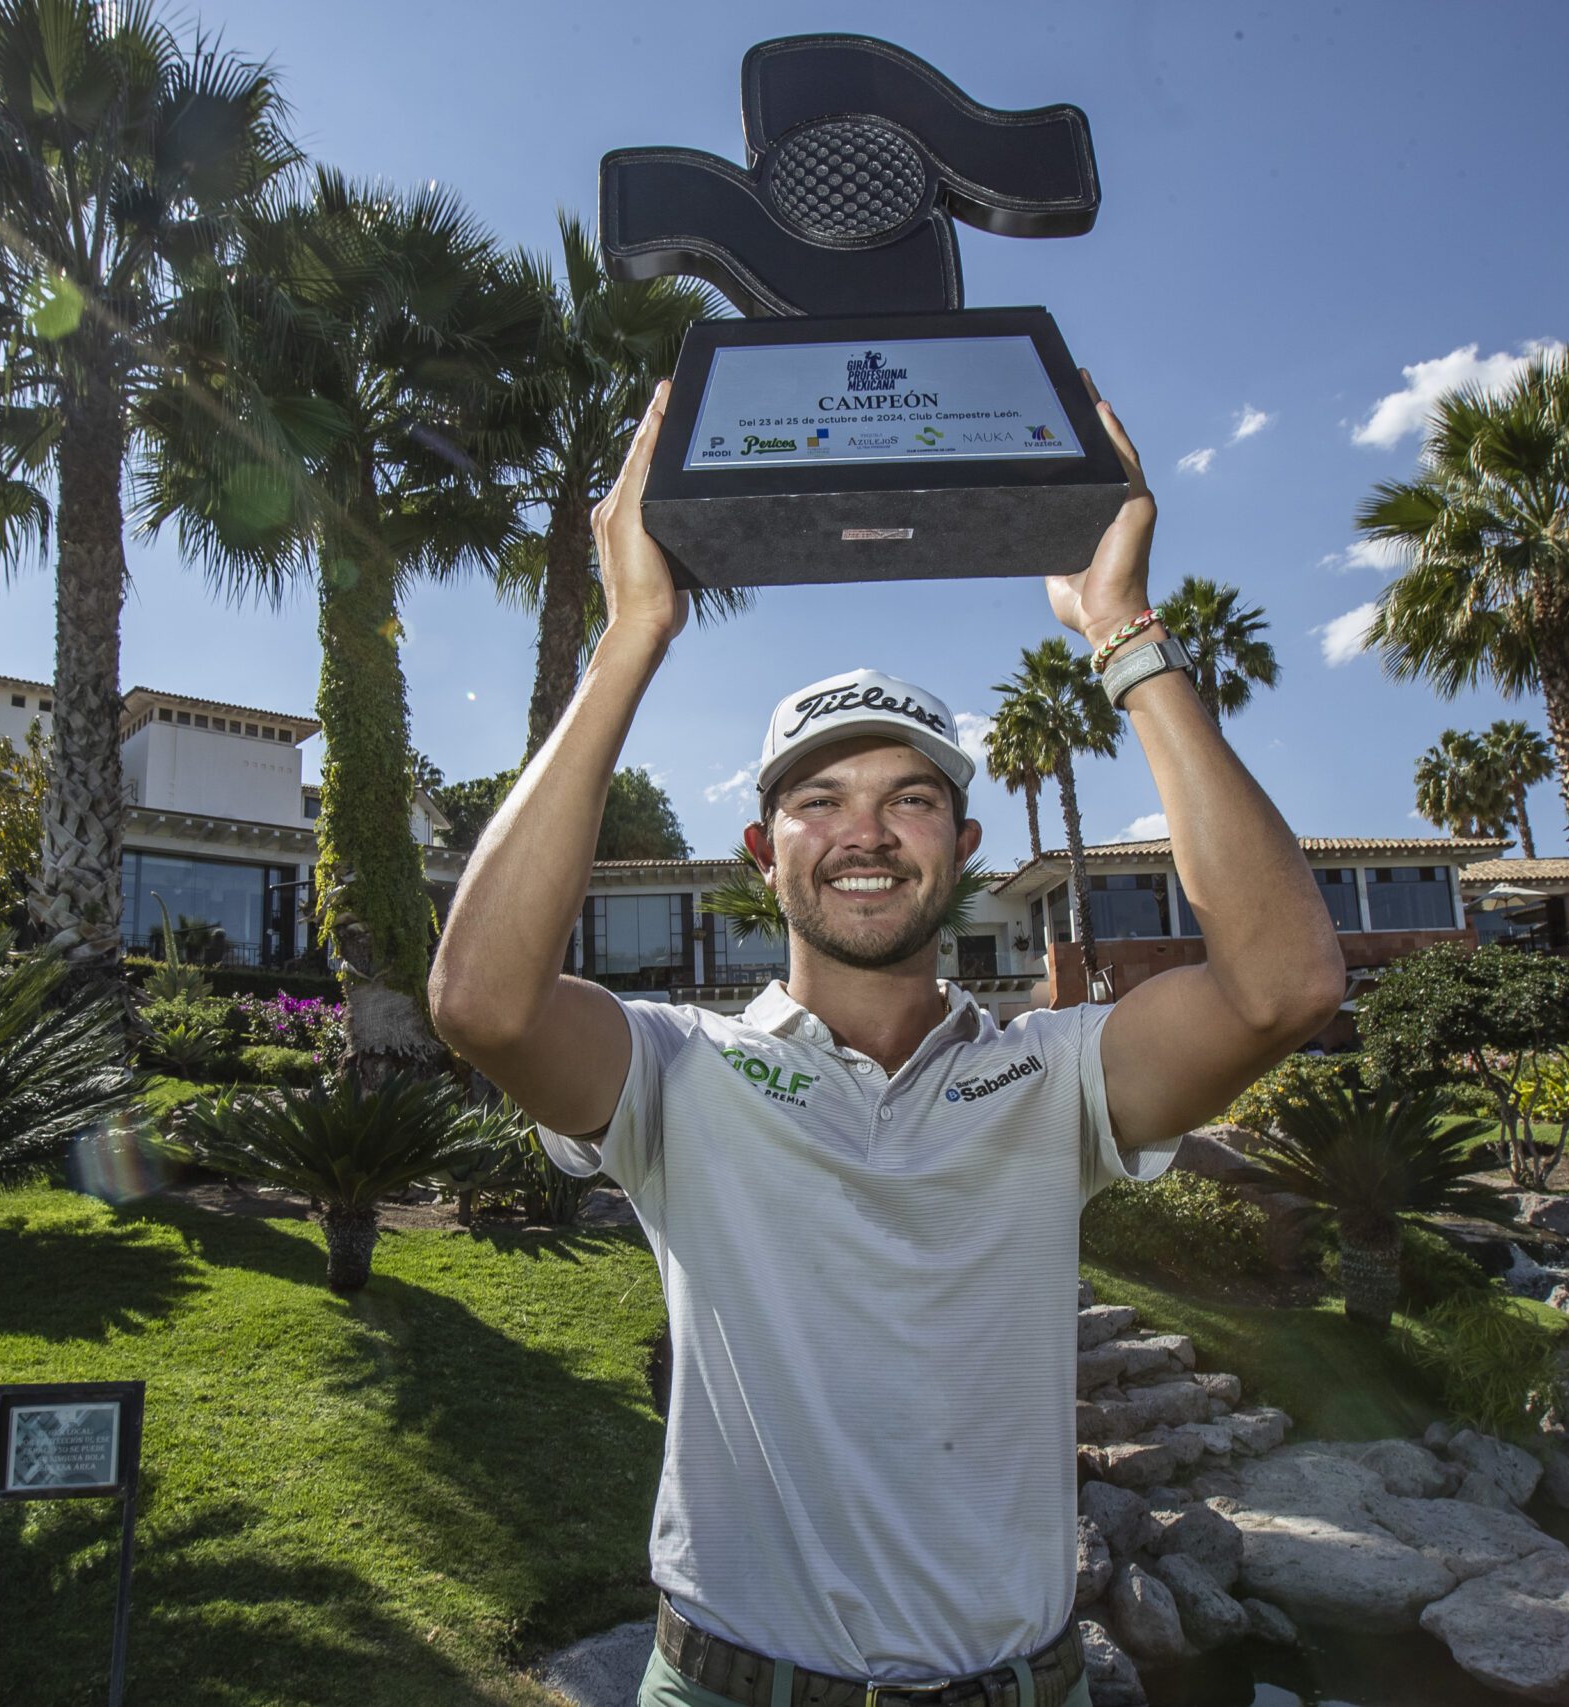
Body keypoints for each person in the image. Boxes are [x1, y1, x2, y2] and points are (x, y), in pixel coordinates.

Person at [431, 375, 1345, 1707]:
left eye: (912, 800)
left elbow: (1284, 987)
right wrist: (633, 630)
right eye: (822, 800)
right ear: (764, 852)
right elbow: (484, 1004)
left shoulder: (1057, 1076)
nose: (865, 834)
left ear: (964, 851)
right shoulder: (676, 1071)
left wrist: (1121, 629)